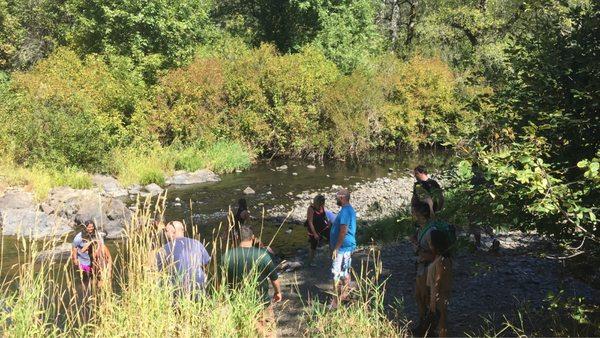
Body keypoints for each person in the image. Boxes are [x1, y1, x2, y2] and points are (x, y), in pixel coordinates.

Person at [222, 226, 282, 304]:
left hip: (235, 302)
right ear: (253, 237)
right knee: (267, 315)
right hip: (261, 300)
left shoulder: (226, 256)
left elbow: (220, 281)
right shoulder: (263, 255)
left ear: (236, 237)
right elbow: (274, 278)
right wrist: (278, 292)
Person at [156, 221, 211, 295]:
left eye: (166, 231)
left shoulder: (165, 249)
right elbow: (207, 265)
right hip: (200, 285)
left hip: (179, 288)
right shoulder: (197, 243)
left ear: (173, 232)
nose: (165, 233)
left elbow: (159, 271)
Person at [411, 201, 436, 333]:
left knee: (426, 298)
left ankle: (429, 328)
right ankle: (423, 324)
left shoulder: (430, 231)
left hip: (428, 268)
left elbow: (435, 256)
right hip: (421, 267)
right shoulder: (420, 229)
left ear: (421, 214)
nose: (413, 215)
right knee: (418, 296)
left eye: (414, 212)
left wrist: (418, 249)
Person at [329, 188, 357, 308]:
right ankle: (345, 295)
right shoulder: (348, 210)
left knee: (336, 273)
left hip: (342, 247)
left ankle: (336, 302)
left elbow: (343, 230)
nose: (336, 199)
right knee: (345, 271)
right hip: (347, 246)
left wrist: (336, 247)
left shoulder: (345, 211)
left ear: (341, 197)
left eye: (336, 197)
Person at [427, 229, 453, 337]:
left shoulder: (441, 260)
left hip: (440, 295)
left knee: (441, 324)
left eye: (429, 241)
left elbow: (438, 281)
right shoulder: (439, 257)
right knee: (440, 322)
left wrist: (433, 299)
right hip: (437, 293)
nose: (428, 243)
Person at [71, 220, 100, 288]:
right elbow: (74, 247)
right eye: (89, 227)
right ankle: (84, 289)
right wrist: (75, 259)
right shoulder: (79, 237)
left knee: (94, 275)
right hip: (83, 261)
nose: (91, 228)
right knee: (86, 277)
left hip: (93, 260)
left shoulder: (95, 234)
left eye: (92, 227)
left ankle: (94, 289)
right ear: (85, 228)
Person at [305, 194, 330, 266]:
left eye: (323, 203)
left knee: (331, 238)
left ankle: (332, 256)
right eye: (321, 203)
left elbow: (324, 216)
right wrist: (315, 233)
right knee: (313, 245)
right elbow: (310, 222)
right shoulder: (311, 208)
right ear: (317, 202)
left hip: (322, 226)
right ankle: (310, 261)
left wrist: (328, 222)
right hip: (313, 228)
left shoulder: (322, 206)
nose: (322, 205)